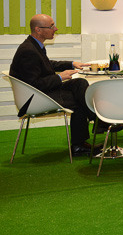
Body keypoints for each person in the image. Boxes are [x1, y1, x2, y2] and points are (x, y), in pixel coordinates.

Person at [9, 14, 98, 156]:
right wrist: (59, 77)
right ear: (38, 30)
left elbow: (47, 64)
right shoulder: (28, 51)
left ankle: (95, 125)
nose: (55, 29)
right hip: (35, 99)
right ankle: (86, 136)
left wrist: (71, 64)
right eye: (51, 26)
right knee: (79, 98)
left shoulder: (33, 46)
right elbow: (34, 84)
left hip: (42, 93)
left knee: (79, 84)